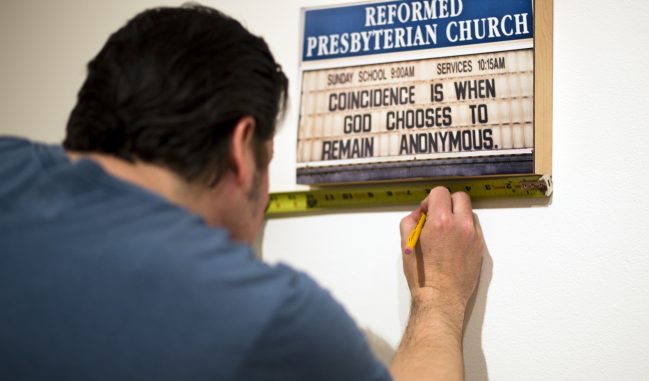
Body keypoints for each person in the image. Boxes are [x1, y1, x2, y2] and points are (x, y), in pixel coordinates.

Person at [0, 4, 485, 381]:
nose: (266, 201)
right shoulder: (268, 317)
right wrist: (438, 297)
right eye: (267, 163)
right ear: (239, 149)